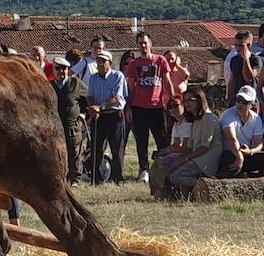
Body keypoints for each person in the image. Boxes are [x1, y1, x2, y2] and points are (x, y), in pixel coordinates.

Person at [124, 32, 177, 183]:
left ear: (150, 43)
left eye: (145, 42)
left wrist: (173, 101)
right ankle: (144, 170)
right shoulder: (134, 65)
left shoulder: (160, 61)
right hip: (139, 108)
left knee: (162, 140)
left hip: (157, 107)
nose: (143, 45)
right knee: (141, 141)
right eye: (140, 43)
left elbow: (167, 82)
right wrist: (128, 107)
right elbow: (131, 88)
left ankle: (163, 167)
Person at [151, 88, 222, 197]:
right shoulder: (196, 119)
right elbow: (190, 148)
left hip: (206, 160)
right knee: (165, 166)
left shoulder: (208, 118)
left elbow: (204, 147)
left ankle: (207, 187)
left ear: (199, 100)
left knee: (176, 177)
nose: (187, 103)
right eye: (185, 100)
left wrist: (183, 159)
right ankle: (170, 194)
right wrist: (177, 158)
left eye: (190, 100)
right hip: (196, 157)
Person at [85, 50, 127, 185]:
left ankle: (118, 178)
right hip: (99, 116)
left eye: (103, 61)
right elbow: (89, 96)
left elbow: (117, 98)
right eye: (98, 61)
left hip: (114, 115)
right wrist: (93, 108)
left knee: (117, 148)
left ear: (110, 63)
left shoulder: (117, 76)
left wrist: (100, 106)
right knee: (96, 148)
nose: (101, 64)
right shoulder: (93, 78)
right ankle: (96, 178)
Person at [219, 86, 264, 177]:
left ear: (251, 104)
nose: (240, 104)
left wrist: (250, 151)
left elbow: (259, 143)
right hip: (231, 153)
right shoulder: (228, 115)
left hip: (247, 154)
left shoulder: (256, 119)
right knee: (227, 157)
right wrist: (239, 157)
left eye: (244, 102)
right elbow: (231, 139)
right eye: (238, 100)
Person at [52, 56, 89, 183]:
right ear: (53, 70)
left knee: (75, 152)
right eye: (57, 68)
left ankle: (75, 179)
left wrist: (83, 115)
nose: (61, 72)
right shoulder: (50, 86)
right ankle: (61, 178)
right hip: (55, 126)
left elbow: (88, 100)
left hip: (72, 124)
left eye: (64, 69)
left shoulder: (76, 84)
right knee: (58, 152)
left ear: (68, 70)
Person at [225, 30, 261, 99]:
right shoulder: (234, 60)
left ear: (249, 45)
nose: (237, 48)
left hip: (250, 98)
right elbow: (232, 80)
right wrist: (229, 98)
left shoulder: (256, 59)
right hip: (237, 98)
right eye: (235, 45)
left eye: (241, 45)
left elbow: (248, 78)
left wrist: (246, 59)